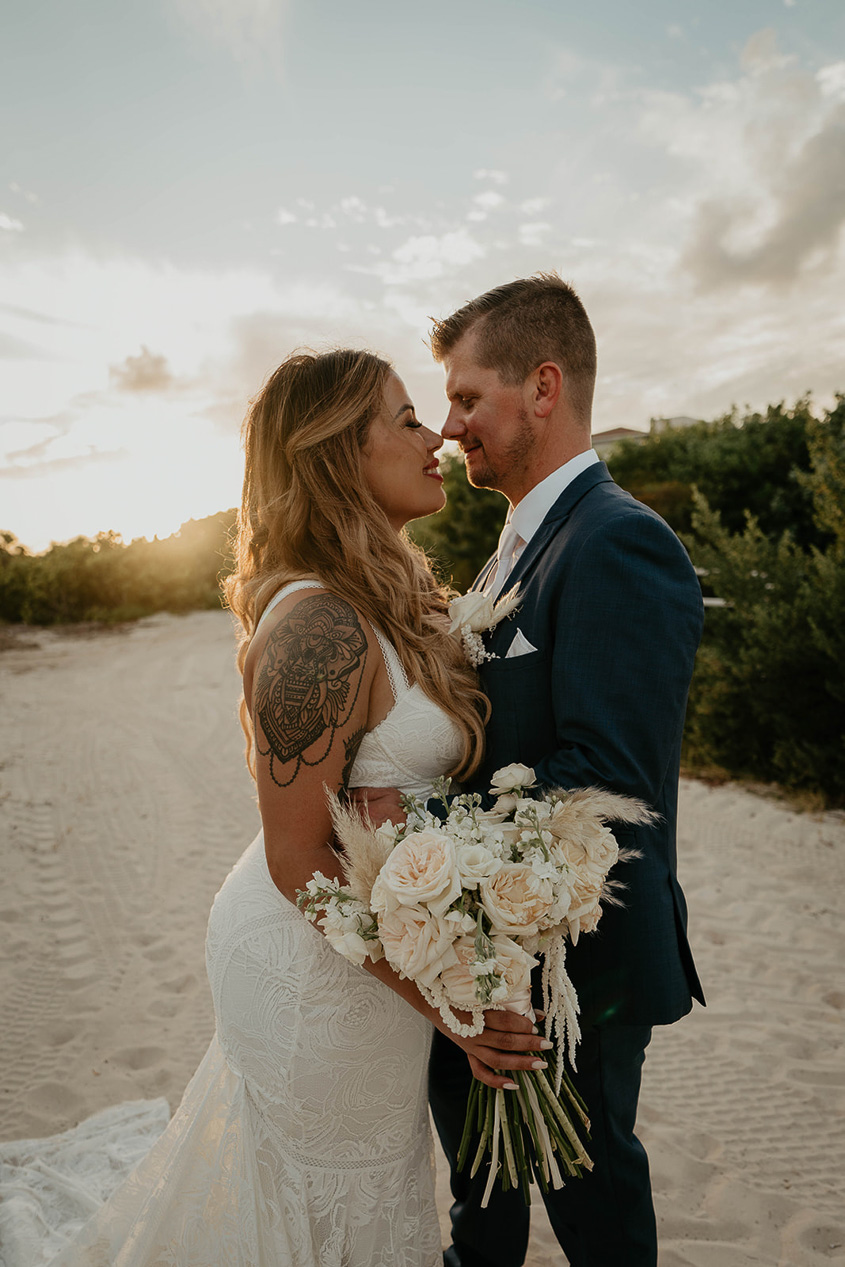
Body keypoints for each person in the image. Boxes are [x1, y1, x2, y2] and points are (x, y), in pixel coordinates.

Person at [2, 349, 548, 1267]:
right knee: (319, 1201)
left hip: (372, 954)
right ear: (336, 452)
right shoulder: (317, 625)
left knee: (365, 1191)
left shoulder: (391, 596)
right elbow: (299, 858)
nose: (437, 437)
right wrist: (450, 1008)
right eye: (407, 418)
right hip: (309, 963)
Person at [357, 275, 705, 1267]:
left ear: (541, 388)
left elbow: (606, 777)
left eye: (466, 397)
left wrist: (417, 856)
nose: (450, 423)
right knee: (482, 1211)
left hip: (571, 969)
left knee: (593, 1213)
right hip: (477, 956)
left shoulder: (615, 542)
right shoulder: (512, 550)